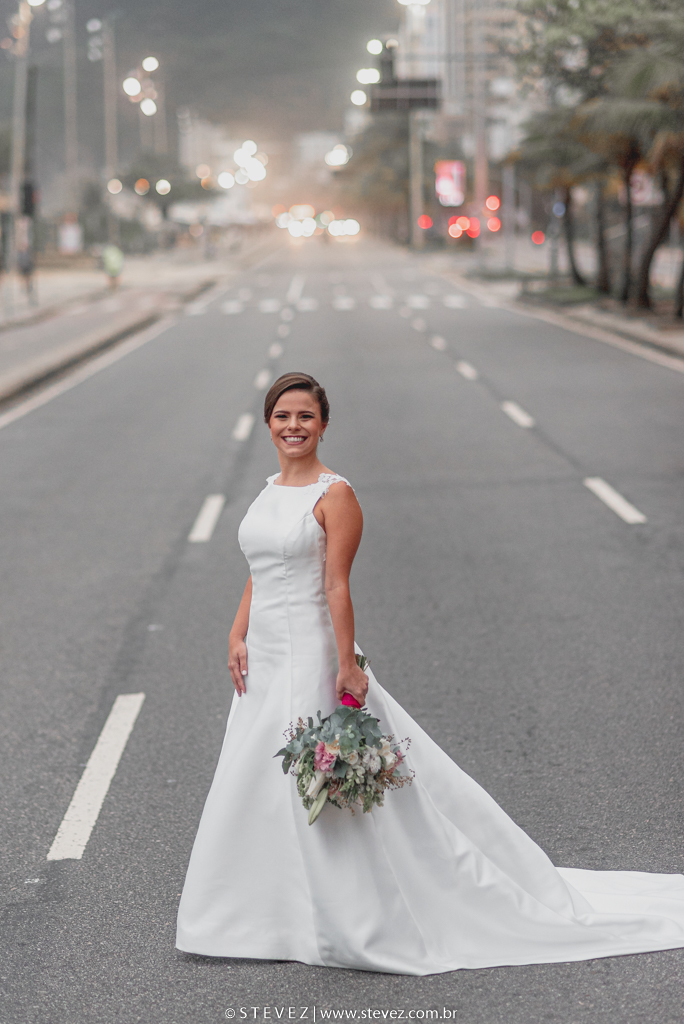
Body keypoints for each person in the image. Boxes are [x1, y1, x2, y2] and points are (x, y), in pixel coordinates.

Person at [176, 371, 684, 975]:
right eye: (283, 416)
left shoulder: (335, 495)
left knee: (318, 784)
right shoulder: (267, 492)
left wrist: (346, 665)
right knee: (254, 781)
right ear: (268, 424)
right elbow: (260, 572)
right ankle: (261, 914)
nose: (294, 427)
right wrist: (236, 633)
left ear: (324, 424)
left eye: (306, 417)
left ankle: (341, 915)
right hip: (263, 659)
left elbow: (336, 586)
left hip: (310, 655)